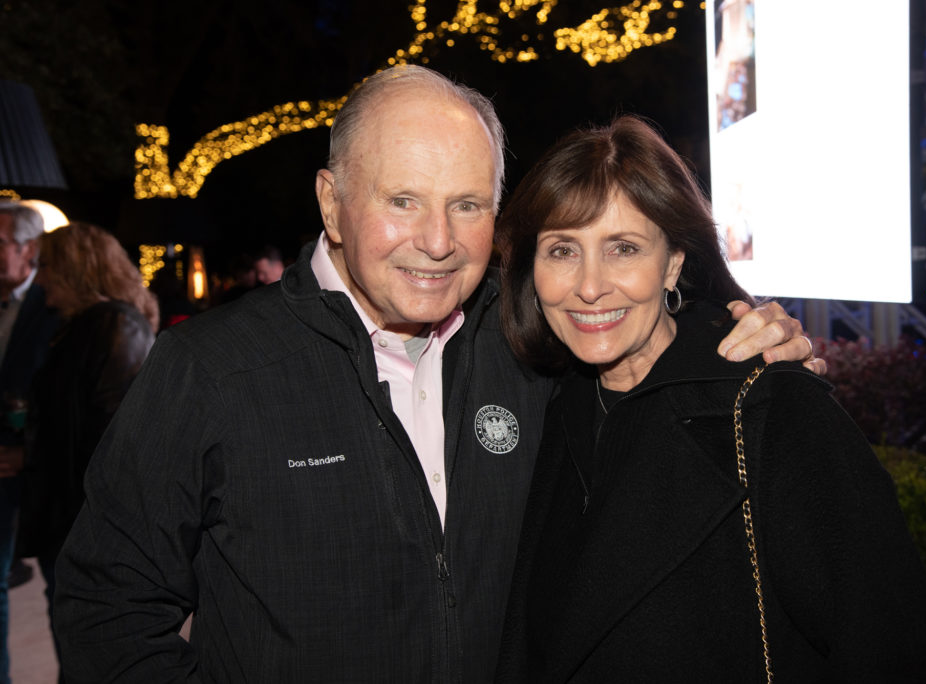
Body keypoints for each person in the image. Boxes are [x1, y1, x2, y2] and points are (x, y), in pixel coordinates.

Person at [54, 66, 817, 682]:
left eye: (468, 205)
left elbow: (642, 353)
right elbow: (105, 610)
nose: (438, 241)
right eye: (403, 200)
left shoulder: (533, 341)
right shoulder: (213, 370)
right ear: (332, 201)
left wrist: (752, 345)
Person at [494, 116, 926, 682]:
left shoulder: (774, 410)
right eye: (562, 250)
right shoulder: (546, 403)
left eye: (623, 248)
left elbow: (898, 651)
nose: (590, 285)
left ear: (673, 262)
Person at [16, 223, 157, 674]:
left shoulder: (116, 325)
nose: (38, 279)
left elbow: (118, 440)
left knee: (94, 656)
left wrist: (30, 455)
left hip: (93, 527)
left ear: (77, 268)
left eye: (47, 266)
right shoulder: (84, 325)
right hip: (73, 519)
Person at [0, 201, 61, 684]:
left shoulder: (55, 302)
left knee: (61, 588)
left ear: (28, 248)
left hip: (45, 470)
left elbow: (62, 397)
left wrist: (32, 449)